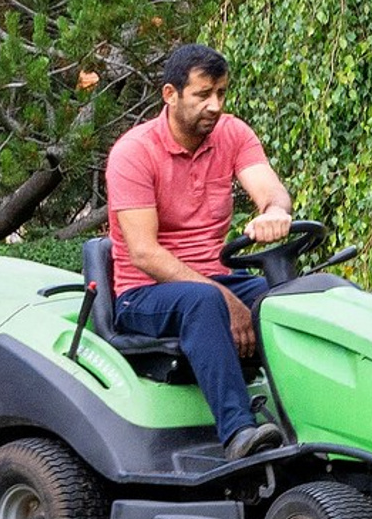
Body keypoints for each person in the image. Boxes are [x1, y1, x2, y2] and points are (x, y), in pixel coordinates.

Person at [105, 42, 295, 460]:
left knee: (291, 300)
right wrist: (227, 299)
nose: (214, 106)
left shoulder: (232, 133)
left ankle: (309, 424)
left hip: (212, 280)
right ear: (170, 95)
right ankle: (240, 433)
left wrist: (275, 211)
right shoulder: (134, 154)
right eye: (203, 94)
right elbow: (144, 254)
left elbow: (269, 190)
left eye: (221, 94)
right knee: (205, 300)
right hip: (144, 293)